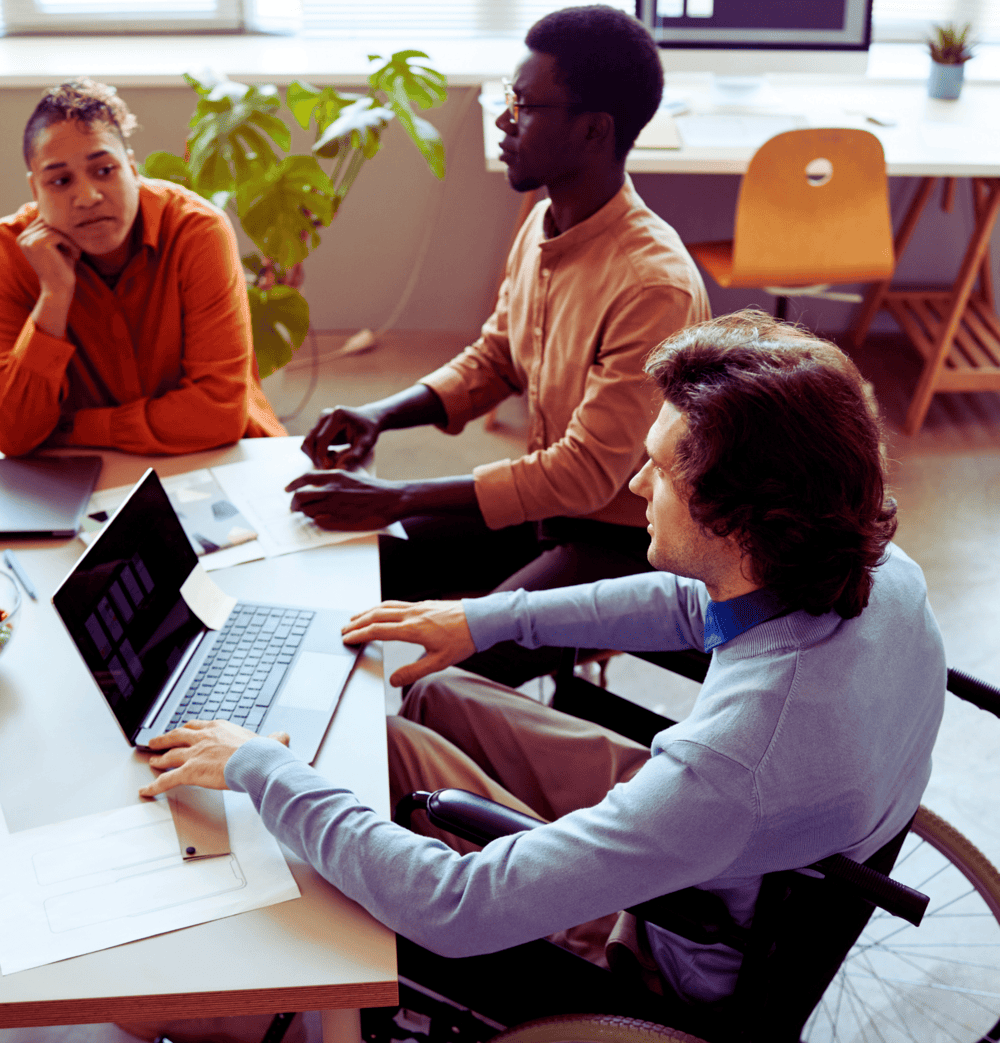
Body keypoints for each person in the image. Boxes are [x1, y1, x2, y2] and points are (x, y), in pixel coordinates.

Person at [139, 311, 946, 1023]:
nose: (634, 484)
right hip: (754, 854)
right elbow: (687, 604)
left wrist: (263, 768)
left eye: (659, 470)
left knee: (366, 767)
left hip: (666, 940)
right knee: (432, 690)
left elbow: (458, 907)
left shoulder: (733, 765)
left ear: (737, 518)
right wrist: (481, 619)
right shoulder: (874, 571)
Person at [286, 5, 710, 687]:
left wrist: (398, 495)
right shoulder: (547, 220)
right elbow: (498, 357)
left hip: (632, 543)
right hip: (554, 514)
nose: (504, 119)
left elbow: (584, 475)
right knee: (366, 559)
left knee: (443, 678)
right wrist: (382, 415)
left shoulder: (650, 283)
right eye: (507, 98)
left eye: (525, 104)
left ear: (594, 130)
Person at [0, 79, 284, 458]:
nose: (88, 197)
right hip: (82, 474)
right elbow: (14, 434)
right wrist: (53, 296)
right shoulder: (8, 253)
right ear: (36, 191)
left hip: (218, 456)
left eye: (104, 170)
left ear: (132, 169)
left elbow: (217, 413)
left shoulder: (196, 231)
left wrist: (73, 427)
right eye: (61, 180)